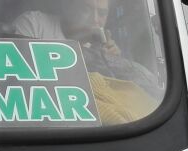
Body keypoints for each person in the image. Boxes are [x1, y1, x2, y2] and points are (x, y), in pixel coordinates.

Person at [9, 0, 162, 101]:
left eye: (102, 13)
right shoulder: (34, 24)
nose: (95, 20)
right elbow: (17, 77)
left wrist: (111, 63)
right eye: (86, 10)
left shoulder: (104, 50)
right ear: (68, 7)